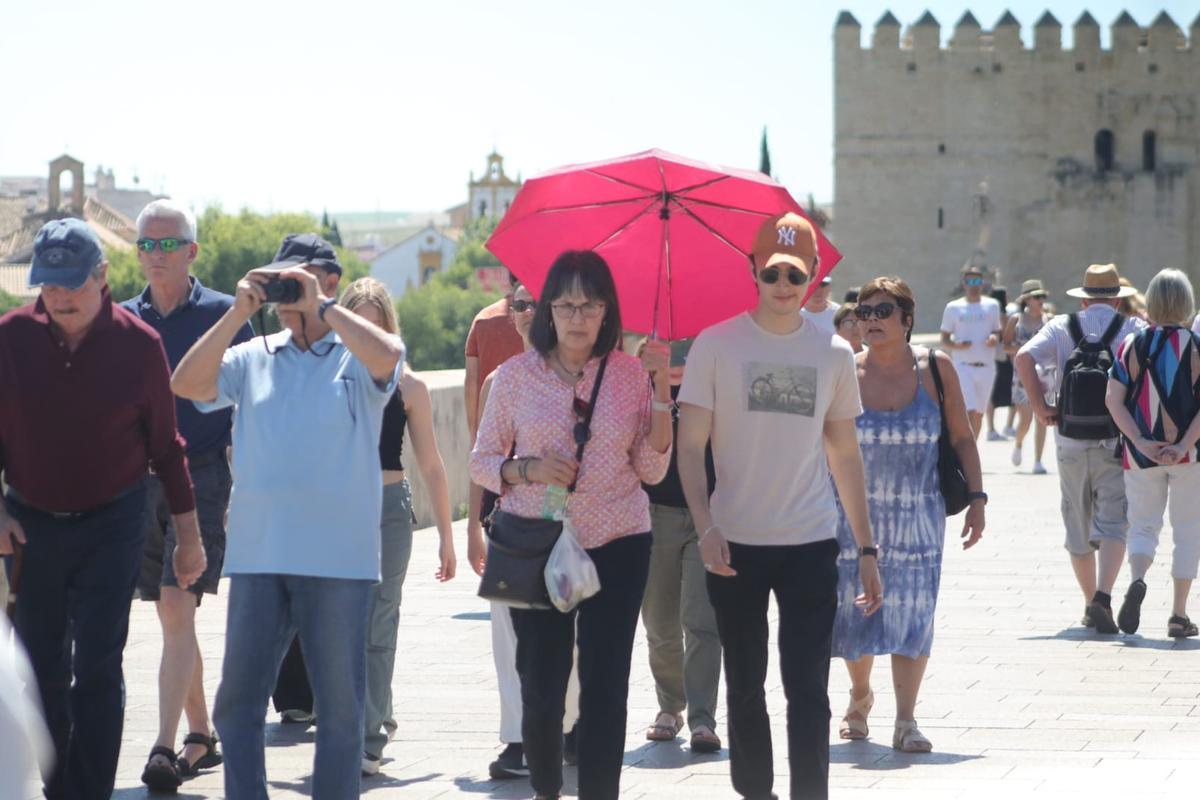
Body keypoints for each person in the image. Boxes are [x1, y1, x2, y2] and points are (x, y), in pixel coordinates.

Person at [171, 233, 404, 799]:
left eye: (296, 280)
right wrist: (238, 313)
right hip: (259, 556)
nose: (285, 292)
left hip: (338, 562)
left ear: (329, 282)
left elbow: (391, 357)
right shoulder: (254, 355)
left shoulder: (355, 354)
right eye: (278, 281)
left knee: (341, 710)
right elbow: (185, 383)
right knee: (237, 705)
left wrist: (324, 311)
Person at [677, 213, 882, 800]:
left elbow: (845, 454)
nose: (784, 283)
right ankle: (756, 792)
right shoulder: (717, 345)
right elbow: (690, 448)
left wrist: (866, 547)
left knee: (808, 690)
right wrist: (705, 526)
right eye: (772, 272)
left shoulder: (836, 352)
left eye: (795, 272)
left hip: (811, 543)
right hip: (733, 542)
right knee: (743, 686)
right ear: (753, 271)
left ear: (815, 274)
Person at [0, 218, 205, 800]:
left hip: (113, 522)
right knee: (38, 668)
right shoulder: (8, 339)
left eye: (71, 284)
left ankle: (87, 792)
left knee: (96, 662)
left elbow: (168, 450)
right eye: (48, 286)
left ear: (103, 276)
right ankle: (58, 785)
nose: (60, 298)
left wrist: (189, 538)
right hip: (31, 524)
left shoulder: (140, 345)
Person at [469, 250, 672, 800]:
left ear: (607, 311)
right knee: (542, 685)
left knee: (606, 684)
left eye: (590, 304)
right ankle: (545, 791)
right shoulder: (513, 378)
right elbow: (482, 460)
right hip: (537, 540)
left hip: (618, 540)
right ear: (547, 312)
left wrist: (660, 392)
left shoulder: (631, 375)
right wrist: (527, 469)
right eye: (566, 304)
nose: (578, 316)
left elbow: (653, 468)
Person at [120, 200, 254, 791]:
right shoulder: (120, 319)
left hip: (202, 475)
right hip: (137, 479)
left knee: (177, 606)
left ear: (192, 250)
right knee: (174, 614)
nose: (154, 254)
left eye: (166, 244)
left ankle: (163, 748)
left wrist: (242, 487)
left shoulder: (227, 315)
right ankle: (203, 733)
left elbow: (252, 410)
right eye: (145, 244)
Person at [832, 277, 986, 754]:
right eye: (863, 311)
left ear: (907, 319)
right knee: (856, 619)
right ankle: (859, 697)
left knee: (914, 617)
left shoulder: (936, 369)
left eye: (881, 311)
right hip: (853, 521)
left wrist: (978, 499)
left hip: (919, 518)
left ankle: (905, 719)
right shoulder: (844, 371)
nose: (870, 320)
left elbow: (961, 437)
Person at [340, 277, 457, 775]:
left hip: (389, 508)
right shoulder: (329, 383)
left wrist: (449, 539)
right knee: (345, 623)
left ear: (390, 330)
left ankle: (367, 737)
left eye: (376, 326)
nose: (367, 337)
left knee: (381, 619)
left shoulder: (410, 386)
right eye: (356, 325)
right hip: (340, 510)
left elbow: (431, 464)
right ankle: (376, 712)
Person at [468, 284, 581, 780]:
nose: (524, 313)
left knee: (572, 636)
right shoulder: (501, 380)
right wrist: (474, 526)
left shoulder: (586, 375)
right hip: (511, 526)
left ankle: (570, 726)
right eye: (517, 304)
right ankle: (518, 736)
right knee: (510, 638)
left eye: (535, 303)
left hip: (576, 523)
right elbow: (481, 460)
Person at [1015, 263, 1144, 632]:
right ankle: (1104, 594)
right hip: (1114, 437)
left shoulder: (1062, 326)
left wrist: (1040, 408)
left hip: (1069, 437)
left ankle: (1090, 602)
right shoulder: (1133, 328)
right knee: (1114, 520)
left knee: (1076, 520)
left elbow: (1024, 357)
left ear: (1084, 298)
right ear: (1117, 298)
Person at [1106, 269, 1200, 638]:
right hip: (1188, 456)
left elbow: (1113, 399)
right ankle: (1178, 613)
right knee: (1188, 529)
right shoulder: (1196, 346)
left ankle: (1139, 579)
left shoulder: (1133, 344)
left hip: (1141, 455)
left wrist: (1140, 441)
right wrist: (1182, 445)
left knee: (1143, 525)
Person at [639, 337, 722, 753]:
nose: (676, 359)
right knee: (659, 621)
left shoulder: (715, 381)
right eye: (668, 351)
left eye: (685, 352)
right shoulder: (637, 386)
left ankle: (703, 718)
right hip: (652, 514)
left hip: (707, 514)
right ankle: (669, 706)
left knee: (702, 620)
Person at [940, 265, 1004, 439]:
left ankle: (972, 449)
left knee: (979, 413)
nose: (974, 285)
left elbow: (997, 331)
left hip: (986, 366)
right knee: (969, 410)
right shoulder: (953, 307)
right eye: (970, 281)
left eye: (977, 280)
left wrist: (994, 338)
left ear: (982, 283)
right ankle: (965, 450)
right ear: (964, 283)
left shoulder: (992, 306)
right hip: (963, 366)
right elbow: (944, 339)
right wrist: (957, 345)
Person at [1003, 280, 1051, 475]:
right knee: (1026, 420)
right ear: (1027, 300)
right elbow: (1006, 346)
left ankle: (1038, 460)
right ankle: (1019, 442)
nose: (1041, 300)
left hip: (1046, 377)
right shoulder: (1015, 320)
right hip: (1022, 375)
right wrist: (1026, 349)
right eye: (1037, 297)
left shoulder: (1050, 320)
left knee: (1044, 418)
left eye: (1043, 297)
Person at [985, 287, 1013, 441]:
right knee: (1008, 395)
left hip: (991, 357)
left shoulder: (987, 315)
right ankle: (1006, 426)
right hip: (1003, 357)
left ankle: (991, 428)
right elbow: (1007, 336)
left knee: (992, 396)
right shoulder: (1003, 317)